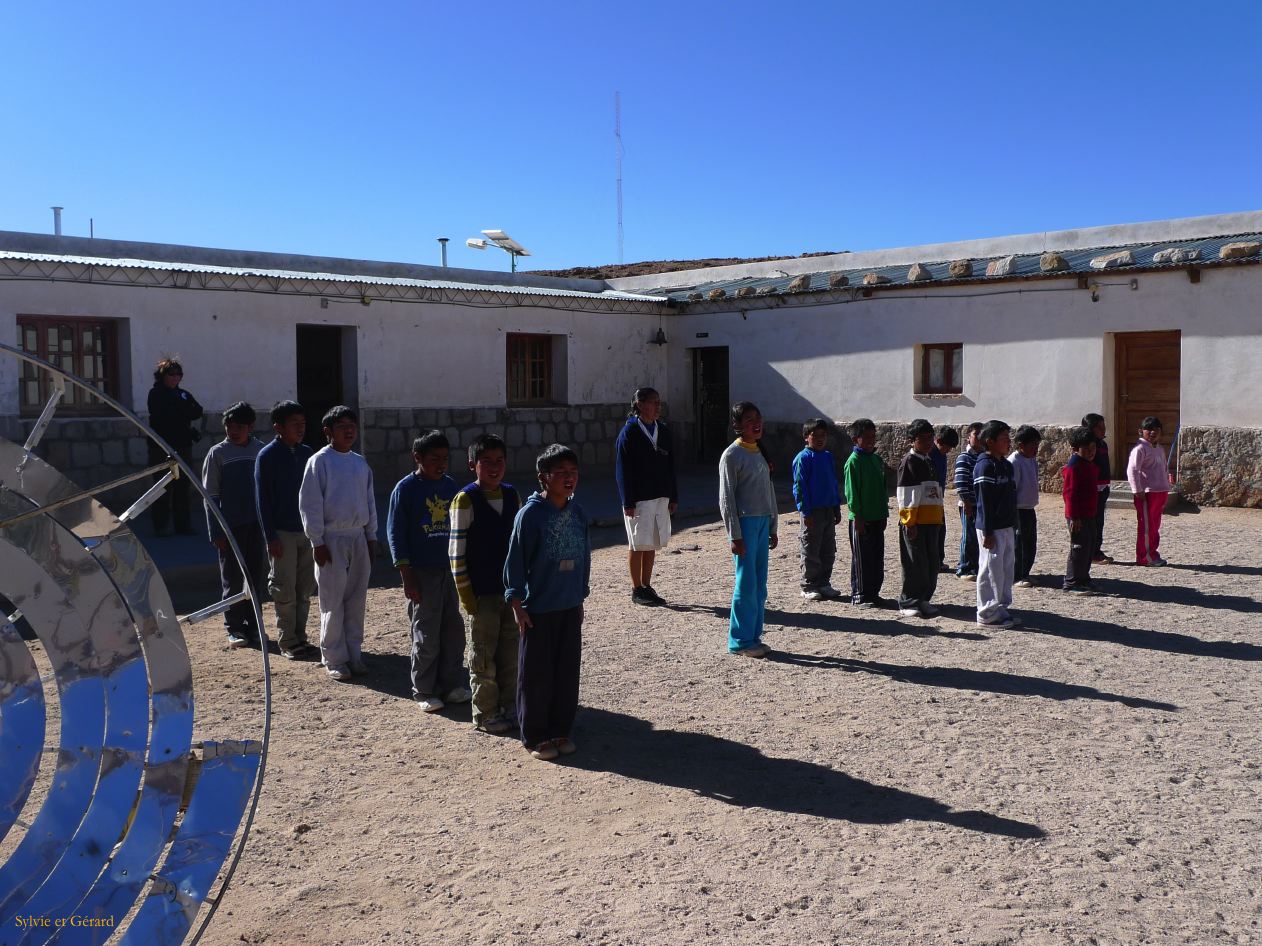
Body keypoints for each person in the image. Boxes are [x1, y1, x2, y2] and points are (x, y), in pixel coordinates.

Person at [504, 444, 590, 762]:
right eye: (561, 473)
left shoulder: (578, 513)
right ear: (544, 478)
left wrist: (580, 596)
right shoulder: (529, 516)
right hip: (537, 609)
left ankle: (560, 729)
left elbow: (584, 559)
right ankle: (535, 735)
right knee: (536, 675)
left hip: (569, 606)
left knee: (566, 672)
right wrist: (516, 603)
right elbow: (515, 562)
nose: (569, 479)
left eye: (573, 473)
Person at [387, 430, 471, 713]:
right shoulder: (405, 489)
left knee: (452, 629)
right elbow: (396, 534)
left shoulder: (450, 487)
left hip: (448, 570)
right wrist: (406, 574)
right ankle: (423, 689)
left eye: (445, 458)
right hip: (422, 573)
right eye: (434, 458)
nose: (441, 464)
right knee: (425, 631)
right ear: (418, 458)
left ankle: (451, 684)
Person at [298, 406, 378, 682]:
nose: (348, 430)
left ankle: (354, 653)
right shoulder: (319, 462)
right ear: (328, 431)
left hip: (357, 535)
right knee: (332, 600)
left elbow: (369, 501)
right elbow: (310, 504)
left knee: (356, 599)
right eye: (341, 425)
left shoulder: (359, 463)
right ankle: (333, 657)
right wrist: (317, 540)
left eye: (351, 425)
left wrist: (371, 536)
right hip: (331, 538)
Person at [449, 434, 521, 734]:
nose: (494, 468)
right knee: (482, 657)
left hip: (509, 592)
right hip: (482, 593)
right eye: (486, 462)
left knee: (510, 653)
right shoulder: (465, 500)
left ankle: (511, 706)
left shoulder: (512, 495)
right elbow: (456, 552)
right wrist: (467, 595)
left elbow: (520, 545)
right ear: (472, 465)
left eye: (499, 461)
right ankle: (485, 712)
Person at [255, 400, 318, 660]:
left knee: (304, 588)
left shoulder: (308, 454)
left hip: (307, 532)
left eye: (303, 424)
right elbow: (262, 500)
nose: (300, 429)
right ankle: (287, 640)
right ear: (278, 427)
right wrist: (270, 537)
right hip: (282, 533)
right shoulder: (267, 456)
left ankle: (301, 637)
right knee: (284, 588)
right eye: (294, 424)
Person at [203, 401, 267, 648]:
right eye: (230, 426)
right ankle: (234, 628)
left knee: (254, 577)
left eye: (239, 426)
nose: (233, 430)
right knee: (231, 579)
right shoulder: (217, 454)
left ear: (250, 427)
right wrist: (215, 531)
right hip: (230, 528)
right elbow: (210, 496)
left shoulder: (260, 451)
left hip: (255, 525)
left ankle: (255, 626)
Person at [719, 402, 779, 657]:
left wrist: (773, 525)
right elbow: (726, 498)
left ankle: (754, 637)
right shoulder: (731, 456)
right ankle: (740, 641)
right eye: (748, 419)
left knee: (760, 584)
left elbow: (769, 491)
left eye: (758, 417)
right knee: (745, 583)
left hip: (762, 522)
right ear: (737, 425)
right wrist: (735, 535)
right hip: (745, 524)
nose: (756, 423)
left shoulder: (760, 452)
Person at [614, 387, 678, 607]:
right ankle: (636, 588)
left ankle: (647, 584)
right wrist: (627, 501)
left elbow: (671, 466)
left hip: (659, 495)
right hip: (639, 497)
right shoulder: (629, 433)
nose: (658, 407)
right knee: (637, 543)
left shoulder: (663, 431)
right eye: (653, 402)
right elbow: (622, 470)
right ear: (640, 405)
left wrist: (673, 495)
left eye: (659, 402)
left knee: (651, 541)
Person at [147, 357, 204, 536]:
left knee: (183, 486)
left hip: (183, 445)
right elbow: (164, 415)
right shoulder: (156, 393)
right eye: (171, 374)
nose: (175, 377)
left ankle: (183, 526)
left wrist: (180, 409)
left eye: (178, 374)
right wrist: (182, 410)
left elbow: (197, 410)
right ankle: (161, 527)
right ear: (163, 375)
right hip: (162, 447)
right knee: (162, 487)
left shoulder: (183, 394)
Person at [973, 420, 1019, 628]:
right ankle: (986, 612)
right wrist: (988, 531)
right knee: (991, 568)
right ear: (989, 442)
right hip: (991, 527)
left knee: (1006, 567)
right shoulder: (984, 466)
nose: (1008, 442)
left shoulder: (1006, 465)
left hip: (1006, 524)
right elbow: (984, 501)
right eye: (1003, 439)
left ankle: (1000, 605)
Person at [896, 419, 944, 618]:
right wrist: (909, 521)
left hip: (931, 520)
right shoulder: (910, 462)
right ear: (912, 440)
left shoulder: (929, 460)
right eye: (922, 439)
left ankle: (924, 598)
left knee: (932, 562)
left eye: (930, 438)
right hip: (916, 522)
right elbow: (906, 494)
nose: (927, 442)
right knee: (915, 562)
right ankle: (909, 600)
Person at [792, 418, 842, 601]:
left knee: (828, 549)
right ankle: (808, 585)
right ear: (806, 437)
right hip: (812, 512)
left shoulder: (828, 457)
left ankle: (824, 583)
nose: (820, 439)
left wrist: (836, 507)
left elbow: (832, 483)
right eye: (816, 435)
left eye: (824, 435)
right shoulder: (803, 458)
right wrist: (805, 511)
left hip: (828, 510)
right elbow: (800, 487)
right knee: (810, 549)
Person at [843, 418, 888, 608]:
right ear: (856, 439)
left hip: (877, 517)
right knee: (862, 559)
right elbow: (852, 493)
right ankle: (860, 594)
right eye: (866, 437)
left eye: (873, 436)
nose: (871, 440)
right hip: (861, 519)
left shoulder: (876, 460)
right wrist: (858, 516)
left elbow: (883, 488)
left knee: (877, 558)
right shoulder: (853, 462)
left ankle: (873, 593)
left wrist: (884, 512)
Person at [1127, 416, 1173, 566]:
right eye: (1149, 429)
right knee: (1146, 526)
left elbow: (1164, 467)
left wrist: (1167, 480)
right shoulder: (1139, 449)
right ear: (1141, 431)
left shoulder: (1159, 449)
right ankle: (1144, 557)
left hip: (1160, 492)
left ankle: (1153, 553)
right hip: (1147, 494)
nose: (1153, 432)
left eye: (1156, 429)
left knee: (1155, 526)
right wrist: (1137, 489)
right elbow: (1133, 470)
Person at [1062, 425, 1100, 593]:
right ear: (1075, 449)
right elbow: (1069, 494)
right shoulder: (1074, 467)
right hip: (1078, 516)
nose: (1092, 452)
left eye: (1093, 448)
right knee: (1078, 548)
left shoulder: (1088, 464)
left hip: (1089, 514)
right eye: (1087, 448)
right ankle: (1071, 582)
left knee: (1088, 547)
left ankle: (1083, 578)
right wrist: (1074, 517)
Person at [1009, 425, 1042, 588]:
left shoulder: (1032, 460)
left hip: (1029, 508)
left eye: (1037, 445)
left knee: (1030, 542)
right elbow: (1012, 487)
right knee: (1019, 543)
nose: (1036, 448)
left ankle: (1026, 572)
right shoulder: (1014, 461)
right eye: (1033, 445)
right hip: (1018, 509)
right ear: (1021, 445)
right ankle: (1017, 575)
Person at [953, 421, 984, 580]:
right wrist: (966, 502)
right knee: (969, 537)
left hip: (981, 504)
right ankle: (964, 568)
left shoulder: (984, 457)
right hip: (969, 504)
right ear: (968, 438)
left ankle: (976, 566)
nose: (979, 438)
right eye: (976, 435)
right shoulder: (964, 457)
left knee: (979, 537)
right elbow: (960, 482)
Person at [1082, 413, 1114, 564]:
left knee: (1099, 521)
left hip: (1103, 487)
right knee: (1091, 522)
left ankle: (1096, 550)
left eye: (1103, 426)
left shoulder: (1103, 445)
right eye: (1098, 427)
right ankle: (1089, 551)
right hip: (1092, 489)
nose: (1103, 430)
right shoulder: (1087, 447)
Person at [931, 426, 960, 571]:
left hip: (939, 498)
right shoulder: (930, 454)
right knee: (934, 531)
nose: (948, 450)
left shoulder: (941, 455)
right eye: (947, 447)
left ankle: (938, 560)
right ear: (938, 441)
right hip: (929, 500)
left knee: (941, 530)